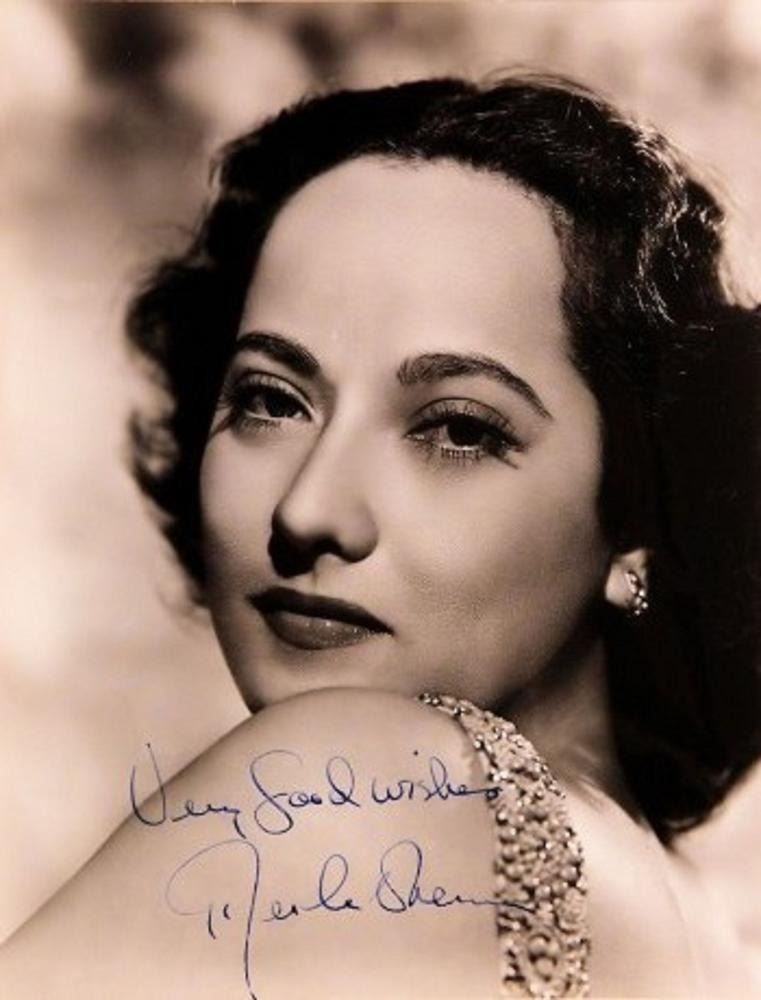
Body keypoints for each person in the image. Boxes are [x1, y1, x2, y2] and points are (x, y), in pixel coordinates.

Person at [2, 73, 759, 998]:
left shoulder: (359, 778)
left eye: (458, 429)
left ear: (638, 518)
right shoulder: (702, 934)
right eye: (270, 401)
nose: (308, 510)